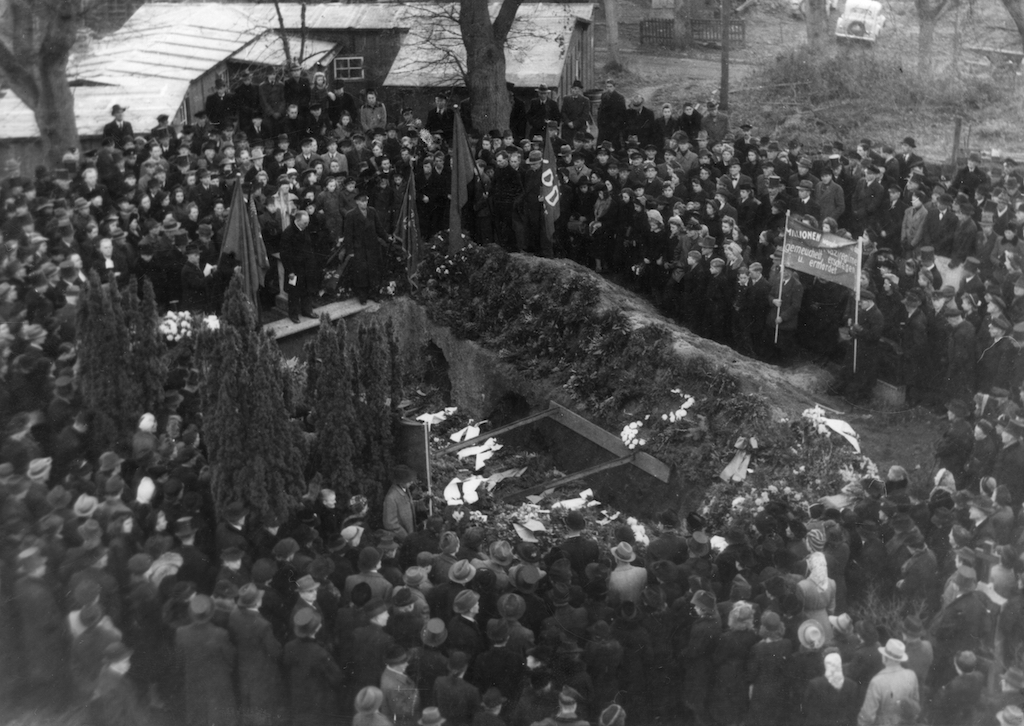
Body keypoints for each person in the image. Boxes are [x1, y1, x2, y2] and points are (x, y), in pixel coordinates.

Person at [858, 639, 919, 726]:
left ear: (885, 657)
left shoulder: (877, 681)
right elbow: (915, 703)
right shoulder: (911, 675)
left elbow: (868, 716)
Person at [344, 190, 390, 304]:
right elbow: (348, 235)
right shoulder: (350, 215)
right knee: (361, 272)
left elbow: (379, 228)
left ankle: (373, 294)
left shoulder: (372, 211)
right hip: (359, 248)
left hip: (372, 247)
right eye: (362, 201)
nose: (364, 204)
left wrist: (387, 238)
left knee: (373, 271)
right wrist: (350, 251)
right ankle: (362, 296)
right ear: (357, 202)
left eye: (366, 201)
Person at [280, 209, 319, 323]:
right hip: (295, 269)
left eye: (307, 222)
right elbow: (285, 254)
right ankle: (293, 314)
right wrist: (290, 271)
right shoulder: (288, 233)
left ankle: (307, 310)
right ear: (297, 220)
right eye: (304, 223)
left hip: (306, 267)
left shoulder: (305, 229)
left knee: (307, 289)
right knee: (294, 293)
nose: (307, 225)